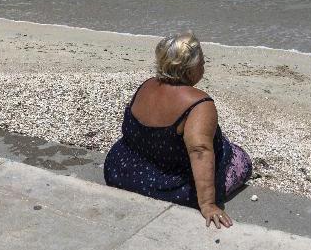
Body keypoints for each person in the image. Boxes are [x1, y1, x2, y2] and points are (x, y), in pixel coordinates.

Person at [104, 32, 252, 228]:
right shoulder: (199, 103)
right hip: (168, 185)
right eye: (202, 63)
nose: (204, 66)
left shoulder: (146, 85)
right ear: (189, 69)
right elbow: (199, 151)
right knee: (241, 158)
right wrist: (208, 204)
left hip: (121, 171)